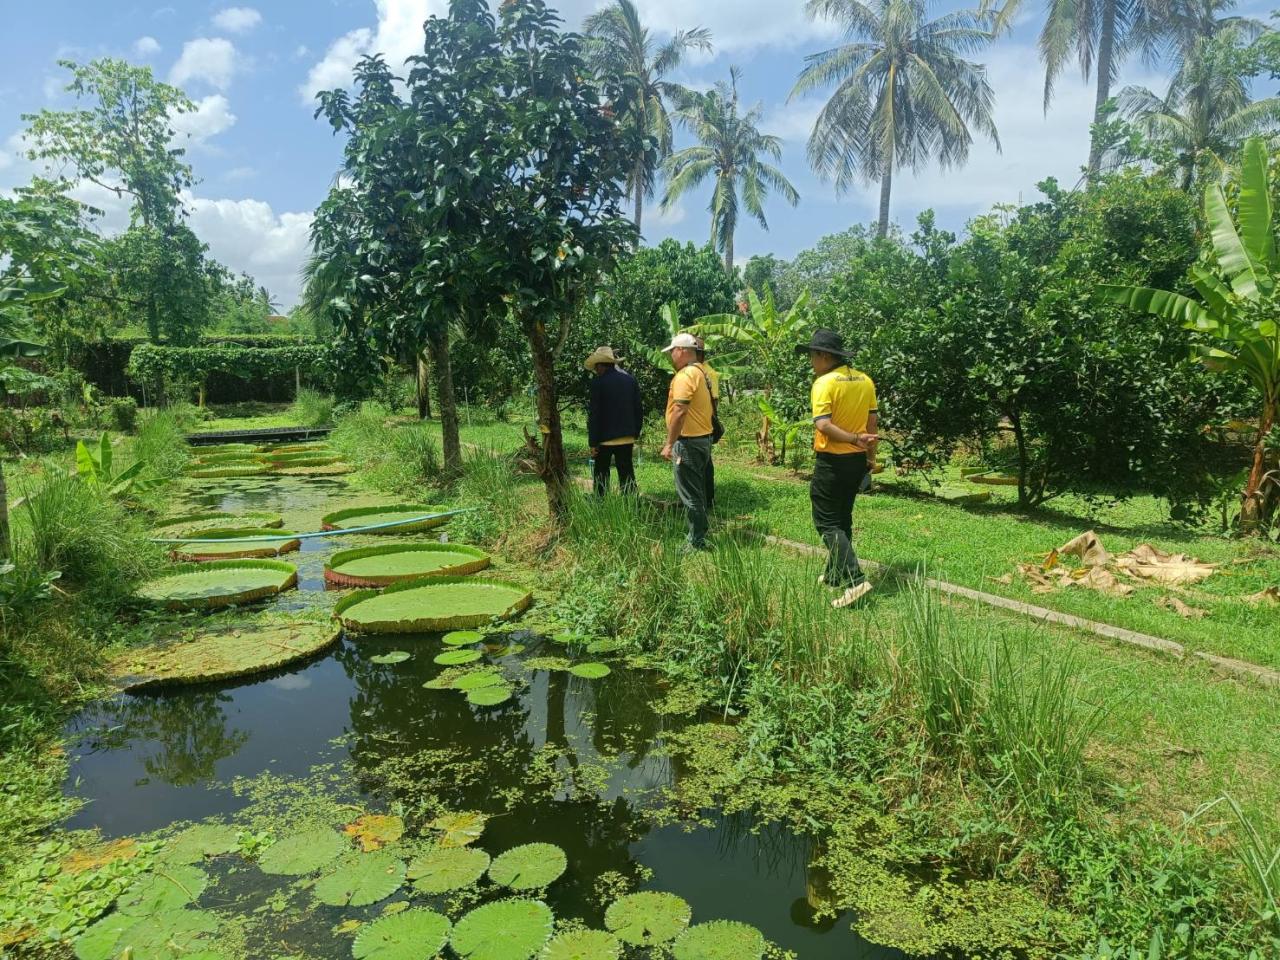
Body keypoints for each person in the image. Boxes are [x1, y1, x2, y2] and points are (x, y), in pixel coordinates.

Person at [796, 328, 878, 608]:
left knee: (826, 522)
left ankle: (856, 580)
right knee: (842, 517)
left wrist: (853, 438)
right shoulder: (865, 380)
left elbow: (823, 425)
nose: (810, 361)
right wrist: (870, 457)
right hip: (856, 460)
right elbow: (872, 423)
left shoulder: (824, 383)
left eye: (812, 355)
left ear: (824, 355)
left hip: (833, 461)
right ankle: (835, 574)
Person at [660, 332, 714, 551]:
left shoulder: (684, 376)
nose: (671, 356)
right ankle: (700, 531)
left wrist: (670, 443)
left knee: (690, 495)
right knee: (698, 491)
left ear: (681, 350)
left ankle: (696, 541)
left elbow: (680, 412)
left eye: (672, 351)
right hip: (703, 439)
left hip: (688, 443)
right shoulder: (702, 372)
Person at [585, 345, 642, 495]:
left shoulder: (598, 383)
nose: (596, 371)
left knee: (601, 475)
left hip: (605, 439)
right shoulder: (630, 380)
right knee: (627, 474)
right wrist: (635, 432)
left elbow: (595, 414)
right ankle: (631, 505)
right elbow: (638, 410)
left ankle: (600, 505)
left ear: (600, 365)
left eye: (596, 367)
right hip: (627, 437)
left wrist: (593, 442)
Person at [693, 337, 721, 512]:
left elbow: (714, 402)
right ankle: (703, 498)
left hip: (703, 424)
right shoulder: (697, 371)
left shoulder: (707, 372)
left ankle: (707, 499)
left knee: (704, 463)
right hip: (702, 424)